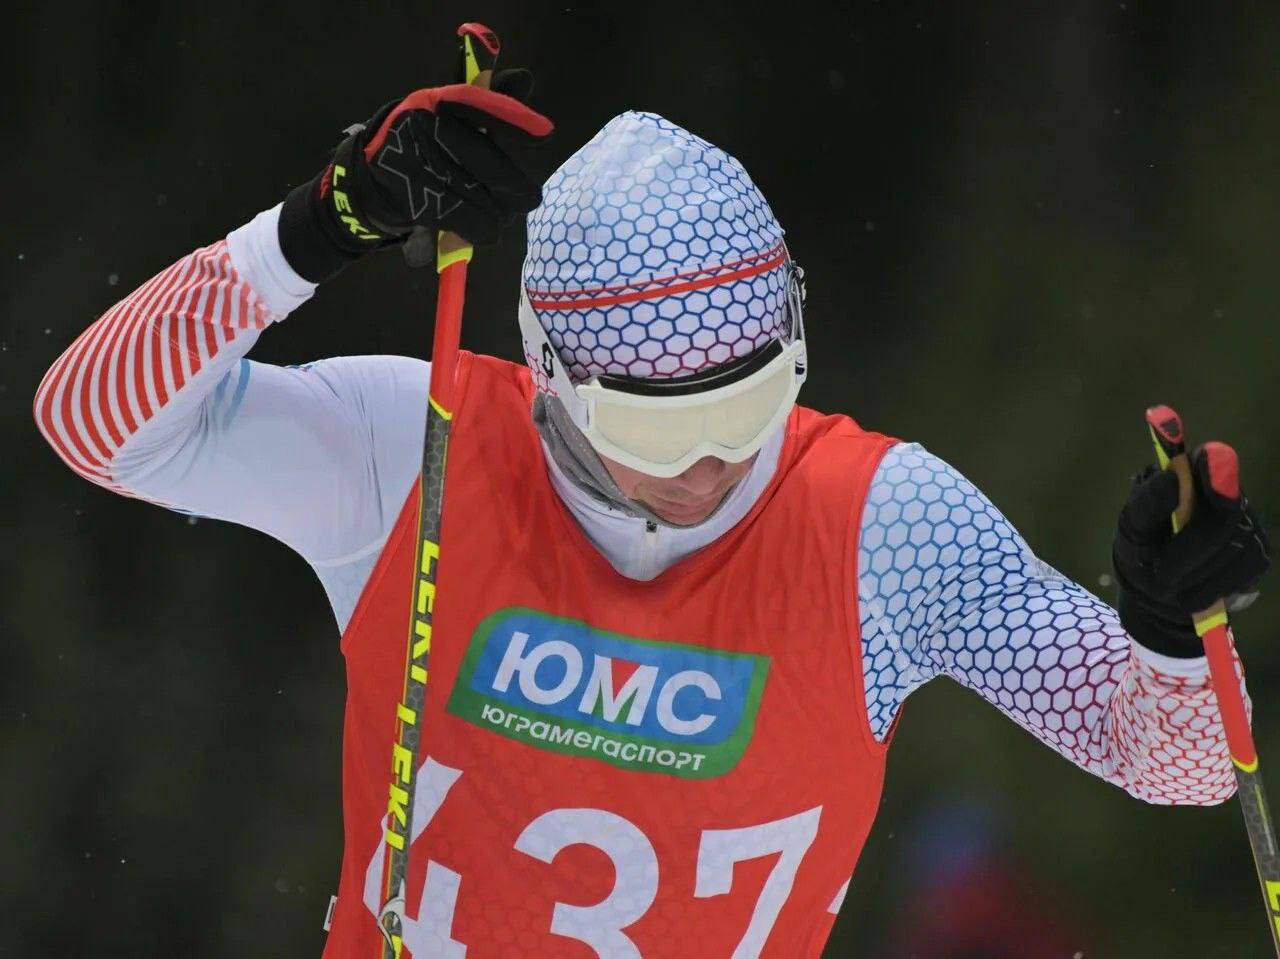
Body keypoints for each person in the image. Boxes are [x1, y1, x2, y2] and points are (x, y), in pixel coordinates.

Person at [34, 62, 1270, 958]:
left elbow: (1171, 763)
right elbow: (95, 421)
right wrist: (319, 226)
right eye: (656, 428)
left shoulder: (880, 525)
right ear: (549, 373)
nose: (712, 465)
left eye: (752, 401)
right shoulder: (419, 446)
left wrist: (1171, 636)